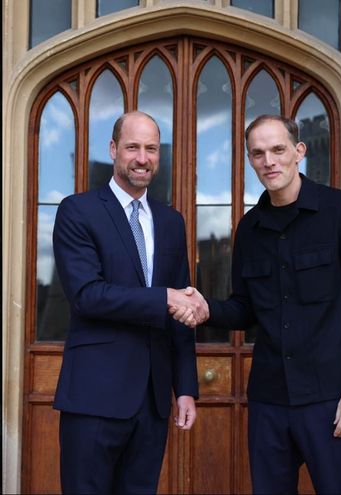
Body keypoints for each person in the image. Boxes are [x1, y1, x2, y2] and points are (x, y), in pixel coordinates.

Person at [171, 115, 341, 494]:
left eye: (277, 150)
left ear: (299, 151)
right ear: (250, 160)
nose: (268, 161)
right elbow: (245, 308)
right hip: (270, 401)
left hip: (334, 398)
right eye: (258, 153)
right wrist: (208, 310)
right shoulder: (250, 229)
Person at [52, 111, 208, 494]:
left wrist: (185, 387)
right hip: (93, 397)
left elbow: (181, 309)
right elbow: (88, 295)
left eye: (151, 149)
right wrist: (164, 297)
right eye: (133, 147)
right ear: (113, 150)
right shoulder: (78, 210)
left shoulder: (171, 221)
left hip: (152, 403)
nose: (142, 158)